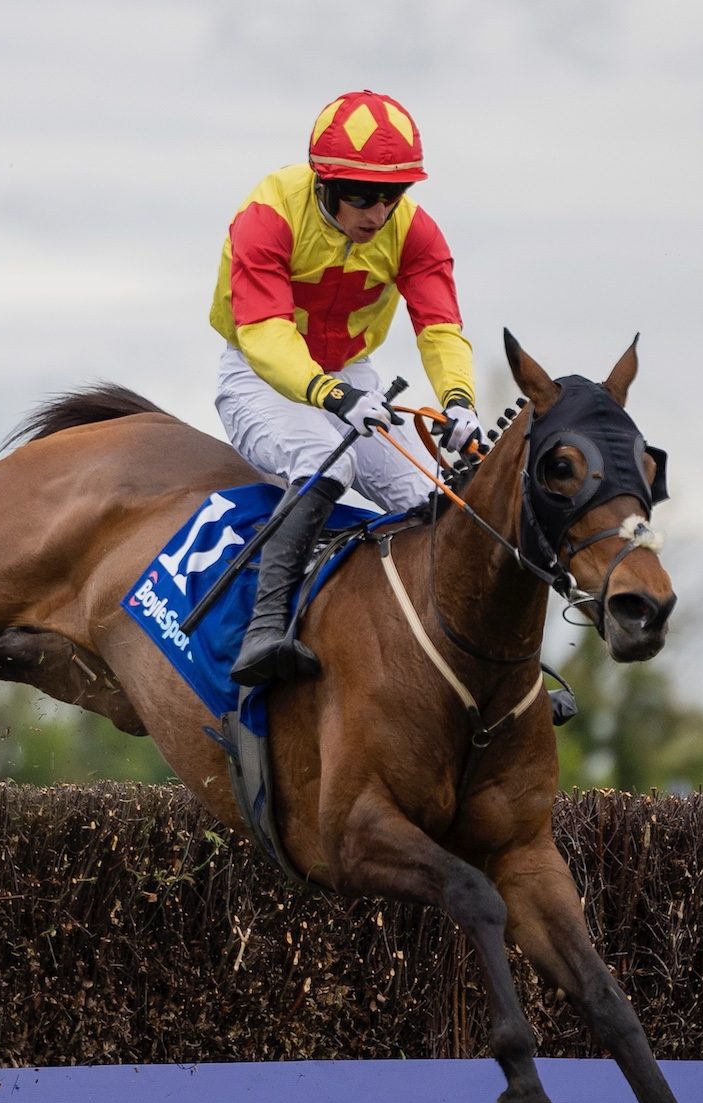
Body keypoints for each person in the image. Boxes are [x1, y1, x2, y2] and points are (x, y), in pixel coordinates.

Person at [210, 89, 483, 687]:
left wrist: (459, 401)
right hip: (262, 375)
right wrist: (330, 396)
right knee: (320, 463)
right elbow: (264, 334)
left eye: (392, 195)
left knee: (431, 502)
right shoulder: (268, 213)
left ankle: (474, 666)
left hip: (353, 375)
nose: (377, 213)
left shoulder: (416, 232)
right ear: (322, 182)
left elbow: (439, 328)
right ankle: (264, 632)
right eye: (360, 195)